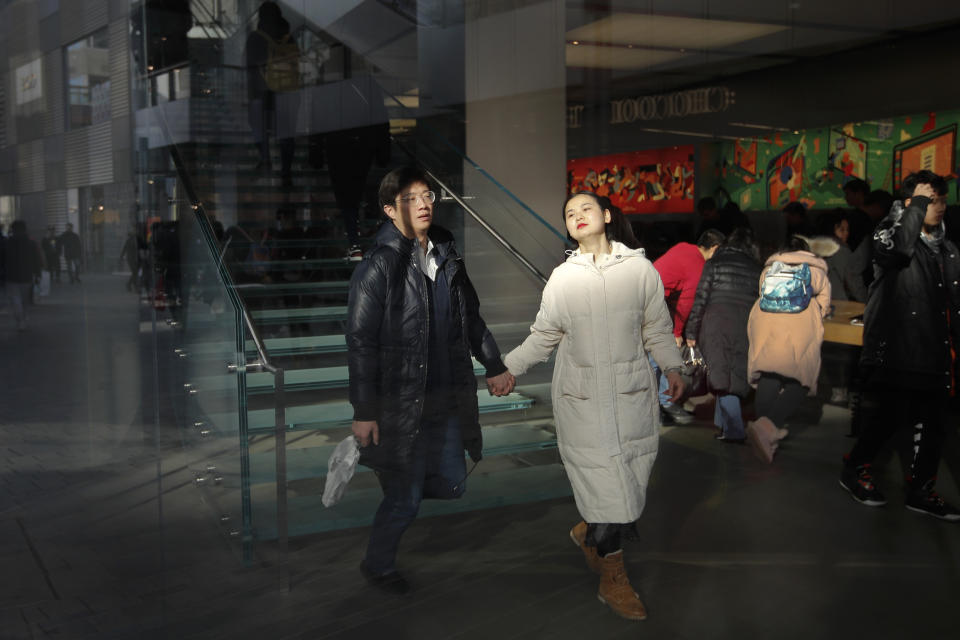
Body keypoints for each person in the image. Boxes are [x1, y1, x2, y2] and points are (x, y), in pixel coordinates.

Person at [504, 192, 684, 622]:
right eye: (569, 213)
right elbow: (543, 335)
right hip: (582, 403)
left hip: (630, 399)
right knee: (609, 497)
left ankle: (589, 532)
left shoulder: (641, 271)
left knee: (626, 487)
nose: (577, 216)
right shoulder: (563, 279)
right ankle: (613, 579)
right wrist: (506, 368)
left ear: (606, 216)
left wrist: (674, 368)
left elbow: (657, 328)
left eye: (585, 208)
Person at [347, 166, 515, 595]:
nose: (423, 204)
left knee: (454, 482)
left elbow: (470, 318)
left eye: (427, 195)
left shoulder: (447, 255)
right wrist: (365, 411)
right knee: (405, 498)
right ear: (389, 210)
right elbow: (361, 342)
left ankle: (405, 485)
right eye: (409, 198)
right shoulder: (378, 266)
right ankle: (378, 564)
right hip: (403, 404)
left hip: (447, 395)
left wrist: (493, 364)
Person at [840, 170, 960, 521]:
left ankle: (921, 490)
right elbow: (901, 249)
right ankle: (855, 468)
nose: (939, 207)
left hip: (936, 351)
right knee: (889, 417)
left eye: (941, 200)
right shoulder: (888, 234)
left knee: (936, 425)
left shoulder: (948, 248)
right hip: (899, 347)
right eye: (930, 199)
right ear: (911, 202)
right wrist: (917, 206)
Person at [745, 236, 831, 463]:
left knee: (769, 375)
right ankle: (767, 428)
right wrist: (815, 316)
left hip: (767, 323)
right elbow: (824, 303)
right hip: (800, 324)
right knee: (800, 380)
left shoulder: (769, 270)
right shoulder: (815, 271)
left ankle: (762, 434)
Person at [684, 227, 762, 443]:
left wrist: (691, 331)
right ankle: (724, 426)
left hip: (715, 323)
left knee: (720, 375)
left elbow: (700, 299)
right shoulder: (756, 268)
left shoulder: (714, 263)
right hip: (744, 325)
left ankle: (734, 430)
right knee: (735, 374)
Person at [651, 229, 724, 424]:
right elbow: (686, 302)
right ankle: (665, 404)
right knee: (659, 360)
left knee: (653, 359)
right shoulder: (698, 265)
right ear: (715, 248)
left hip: (647, 304)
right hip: (652, 309)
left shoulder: (683, 247)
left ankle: (659, 407)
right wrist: (676, 333)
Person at [245, 1, 299, 187]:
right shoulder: (288, 37)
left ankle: (266, 160)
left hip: (262, 93)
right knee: (286, 134)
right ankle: (286, 171)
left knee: (259, 129)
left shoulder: (256, 37)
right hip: (286, 92)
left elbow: (251, 67)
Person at [815, 209, 866, 302]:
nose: (846, 233)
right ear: (830, 229)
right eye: (841, 230)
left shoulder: (811, 248)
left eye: (847, 230)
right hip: (837, 303)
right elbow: (852, 282)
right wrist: (866, 301)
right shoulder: (840, 250)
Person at [1, 221, 42, 330]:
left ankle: (20, 320)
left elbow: (2, 260)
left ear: (13, 230)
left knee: (15, 299)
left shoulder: (6, 243)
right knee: (25, 300)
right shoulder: (31, 243)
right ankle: (24, 318)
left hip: (11, 276)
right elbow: (37, 260)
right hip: (26, 275)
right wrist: (38, 273)